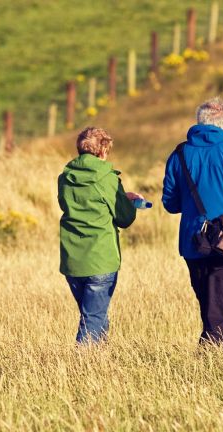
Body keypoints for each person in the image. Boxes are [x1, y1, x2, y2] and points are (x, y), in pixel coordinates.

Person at [162, 97, 223, 344]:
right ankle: (211, 362)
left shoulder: (179, 154)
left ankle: (209, 359)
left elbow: (170, 203)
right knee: (219, 312)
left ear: (200, 120)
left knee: (209, 307)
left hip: (192, 242)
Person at [58, 127, 143, 343]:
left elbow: (79, 202)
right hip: (100, 259)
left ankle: (99, 364)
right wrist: (129, 203)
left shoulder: (65, 177)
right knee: (93, 318)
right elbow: (124, 218)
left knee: (95, 316)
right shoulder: (107, 177)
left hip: (73, 259)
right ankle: (81, 368)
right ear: (103, 150)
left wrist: (120, 196)